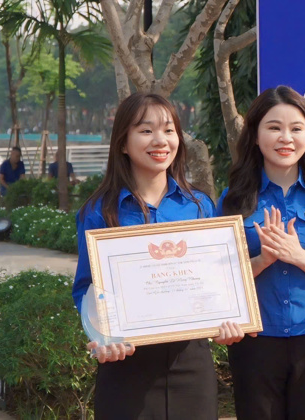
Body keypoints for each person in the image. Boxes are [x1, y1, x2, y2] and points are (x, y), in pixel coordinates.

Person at [72, 93, 247, 420]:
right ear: (122, 143)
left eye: (169, 130)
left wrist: (230, 318)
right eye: (146, 130)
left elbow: (216, 282)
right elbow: (85, 288)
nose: (160, 140)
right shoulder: (100, 211)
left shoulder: (199, 207)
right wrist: (101, 334)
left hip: (191, 364)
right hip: (126, 365)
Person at [219, 86, 305, 420]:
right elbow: (221, 279)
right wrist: (263, 259)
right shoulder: (234, 198)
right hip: (255, 340)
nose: (286, 138)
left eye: (297, 128)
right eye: (274, 127)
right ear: (254, 135)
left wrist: (296, 254)